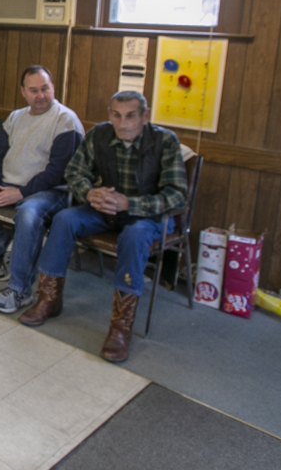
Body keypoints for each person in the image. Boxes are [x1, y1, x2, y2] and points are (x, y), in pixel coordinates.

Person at [20, 91, 187, 364]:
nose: (124, 123)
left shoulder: (165, 141)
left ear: (145, 116)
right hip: (103, 210)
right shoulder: (99, 135)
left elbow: (177, 195)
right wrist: (89, 193)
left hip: (146, 217)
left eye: (131, 115)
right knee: (64, 219)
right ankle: (49, 299)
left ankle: (121, 327)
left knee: (134, 236)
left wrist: (129, 204)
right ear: (110, 115)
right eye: (117, 115)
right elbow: (74, 172)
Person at [0, 66, 83, 314]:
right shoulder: (15, 117)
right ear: (23, 92)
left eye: (45, 88)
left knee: (28, 215)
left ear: (53, 87)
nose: (40, 95)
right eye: (34, 90)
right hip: (7, 182)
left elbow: (59, 171)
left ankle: (19, 290)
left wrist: (21, 193)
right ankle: (5, 253)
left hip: (51, 190)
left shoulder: (66, 120)